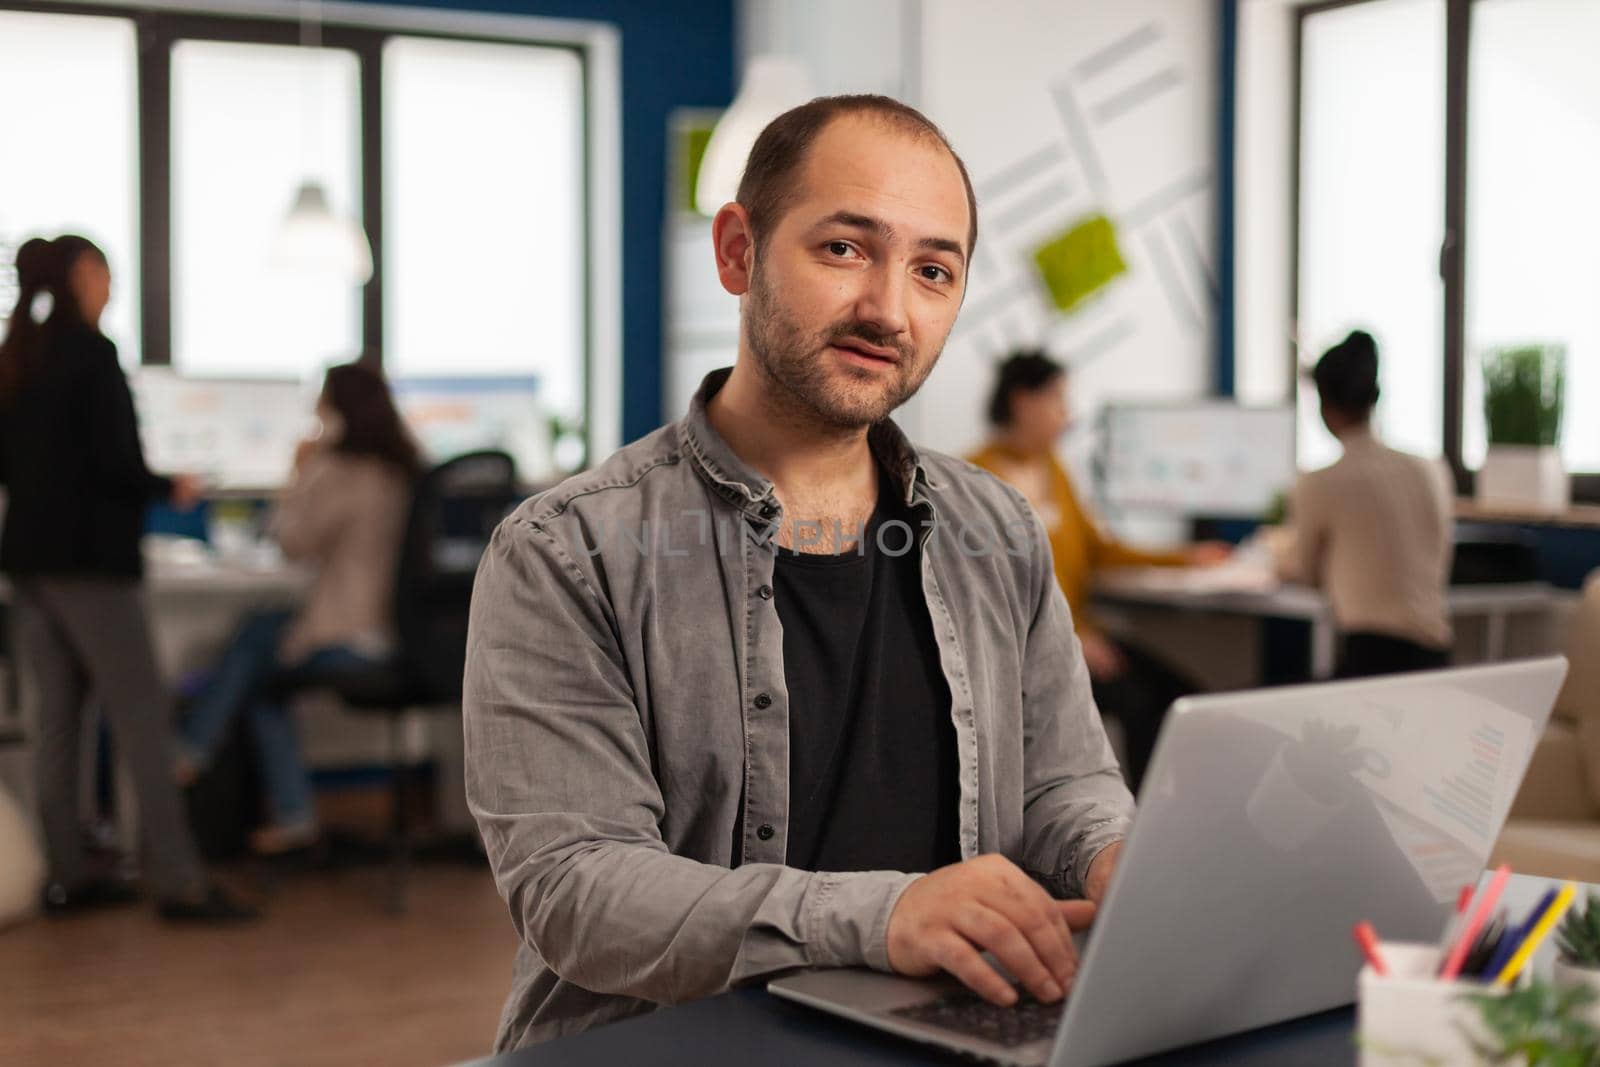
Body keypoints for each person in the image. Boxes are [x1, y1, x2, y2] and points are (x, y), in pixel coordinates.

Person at [463, 95, 1134, 1051]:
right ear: (738, 251)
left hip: (948, 1033)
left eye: (933, 271)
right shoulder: (567, 551)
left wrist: (1119, 857)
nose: (888, 310)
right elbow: (576, 887)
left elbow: (1065, 782)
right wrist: (885, 915)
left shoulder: (999, 529)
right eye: (845, 249)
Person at [0, 234, 253, 921]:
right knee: (143, 719)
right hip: (91, 567)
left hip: (28, 565)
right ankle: (181, 882)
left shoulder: (18, 356)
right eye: (106, 274)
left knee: (58, 726)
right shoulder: (91, 352)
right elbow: (116, 463)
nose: (111, 287)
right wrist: (169, 483)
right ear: (83, 275)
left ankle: (69, 874)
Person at [175, 361, 419, 854]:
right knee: (263, 671)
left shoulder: (341, 471)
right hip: (394, 636)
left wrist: (300, 470)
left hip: (348, 635)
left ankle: (193, 751)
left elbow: (292, 542)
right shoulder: (402, 472)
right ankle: (290, 813)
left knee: (254, 639)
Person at [968, 351, 1228, 790]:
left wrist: (1185, 557)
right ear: (1023, 401)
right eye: (1057, 400)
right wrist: (1068, 639)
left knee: (1182, 692)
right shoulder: (975, 476)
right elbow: (988, 589)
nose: (1067, 416)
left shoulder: (1054, 469)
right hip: (1030, 649)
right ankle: (1142, 829)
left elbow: (1101, 549)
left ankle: (1176, 816)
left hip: (1080, 634)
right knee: (1140, 704)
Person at [1277, 330, 1453, 677]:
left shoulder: (1321, 482)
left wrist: (1275, 555)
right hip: (1438, 661)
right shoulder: (1430, 468)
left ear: (1325, 408)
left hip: (1372, 663)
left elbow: (1302, 571)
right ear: (1375, 397)